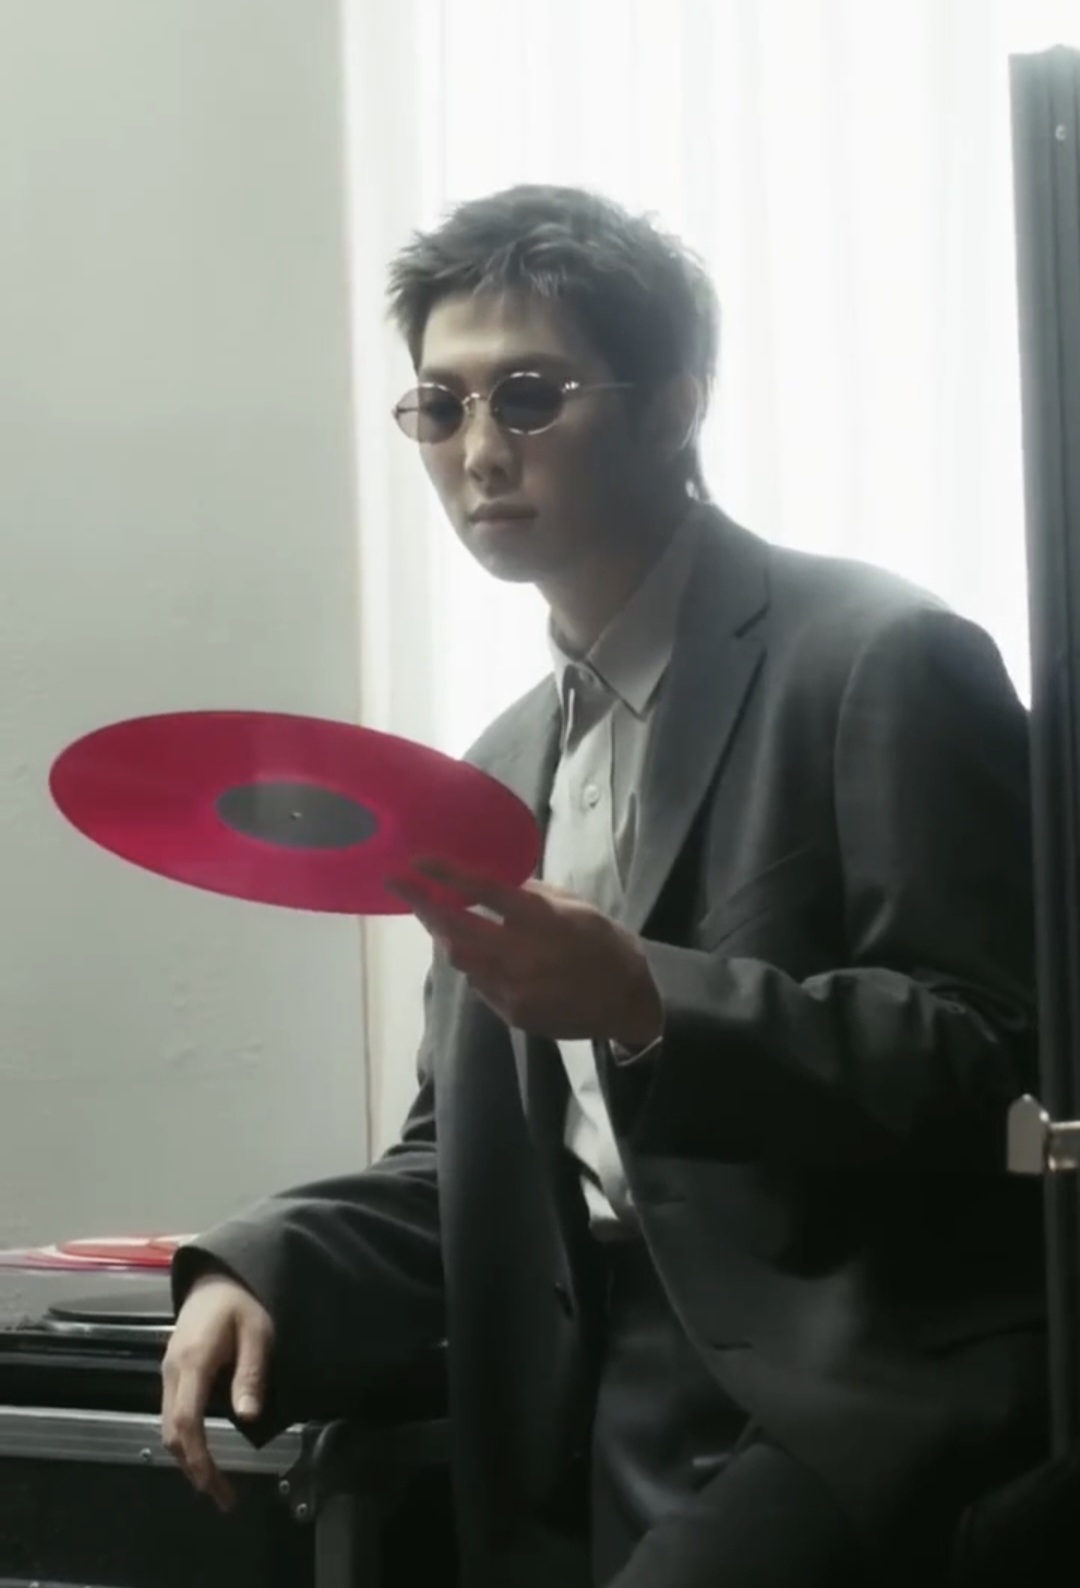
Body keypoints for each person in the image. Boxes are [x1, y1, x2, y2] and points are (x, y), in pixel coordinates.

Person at [161, 185, 1047, 1587]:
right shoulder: (496, 768)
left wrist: (647, 1002)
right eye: (439, 407)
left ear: (675, 407)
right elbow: (457, 1159)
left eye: (529, 396)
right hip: (583, 1401)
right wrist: (256, 1261)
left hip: (857, 1380)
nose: (477, 452)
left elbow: (995, 1057)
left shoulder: (882, 654)